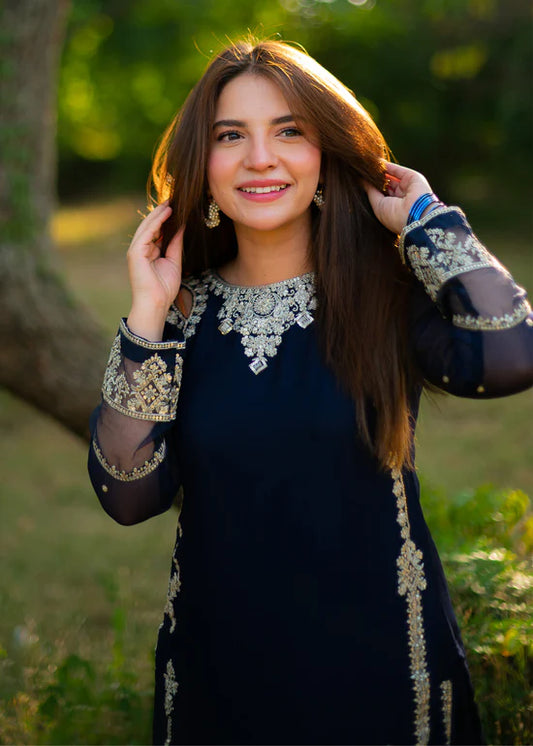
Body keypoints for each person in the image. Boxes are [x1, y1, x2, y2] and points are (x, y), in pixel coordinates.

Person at [87, 38, 533, 746]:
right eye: (231, 136)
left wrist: (423, 218)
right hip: (219, 673)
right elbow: (128, 495)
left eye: (289, 131)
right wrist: (148, 310)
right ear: (203, 161)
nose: (260, 158)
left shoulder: (384, 293)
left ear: (326, 153)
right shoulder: (180, 315)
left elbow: (509, 353)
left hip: (382, 667)